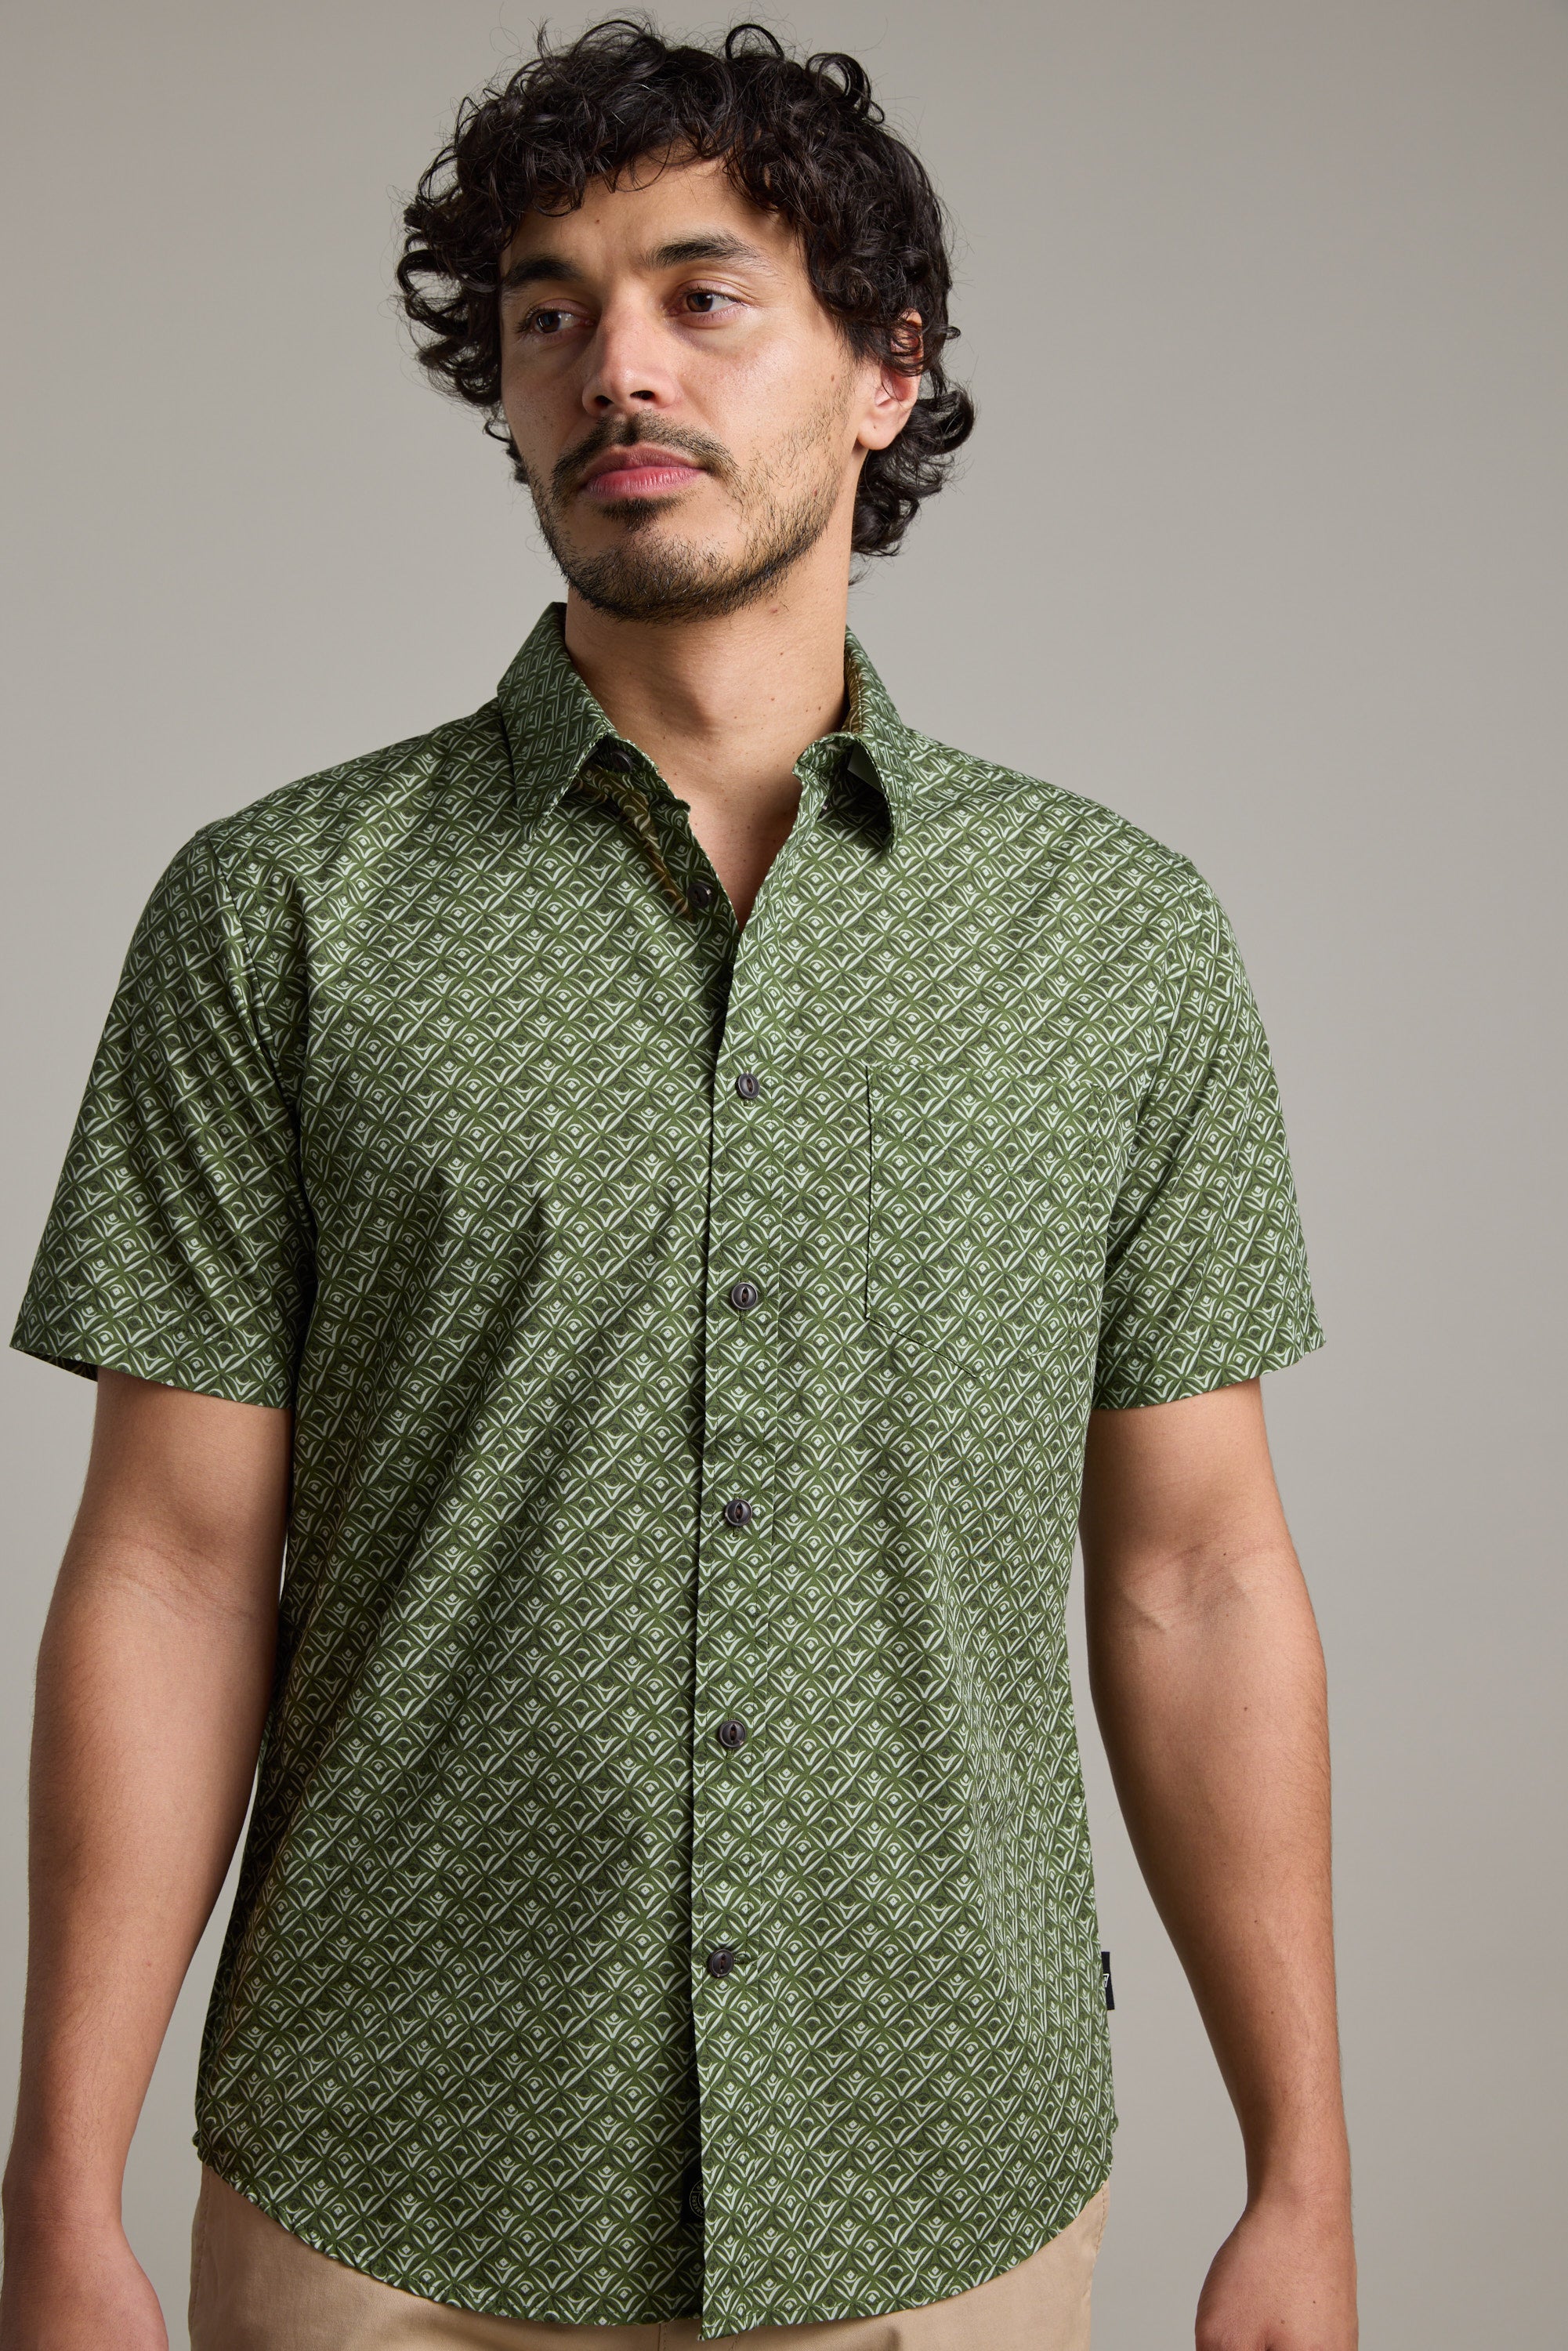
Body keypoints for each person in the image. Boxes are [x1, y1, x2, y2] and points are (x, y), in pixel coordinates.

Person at [0, 19, 1356, 2351]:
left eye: (702, 293)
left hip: (942, 2174)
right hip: (384, 2176)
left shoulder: (1115, 939)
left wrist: (1303, 2181)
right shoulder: (283, 910)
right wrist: (56, 2194)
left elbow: (1201, 1575)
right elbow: (172, 1562)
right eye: (548, 312)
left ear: (881, 371)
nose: (613, 365)